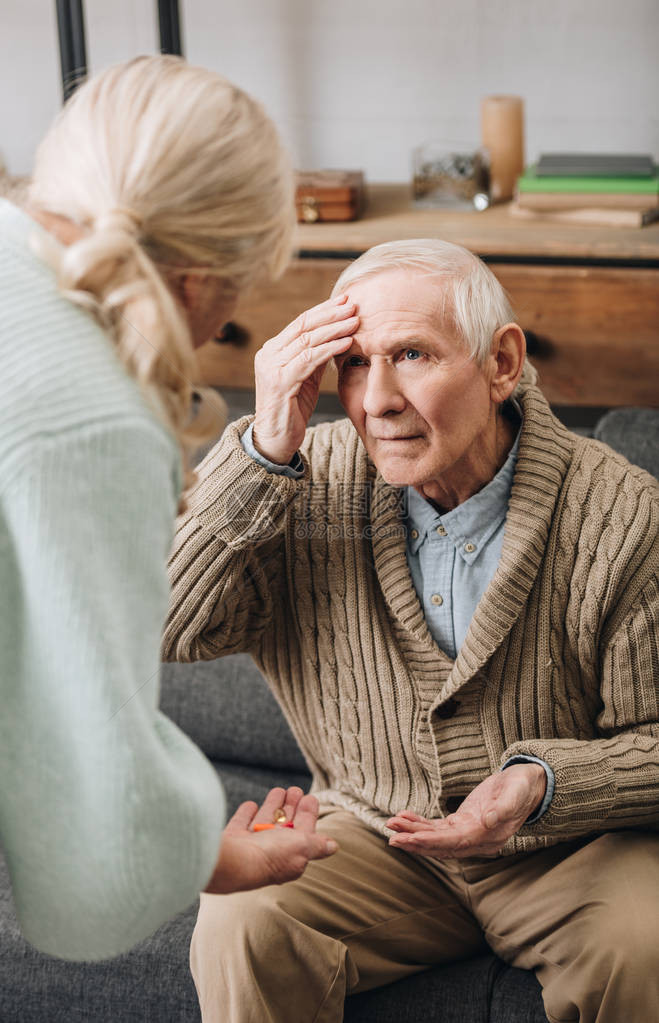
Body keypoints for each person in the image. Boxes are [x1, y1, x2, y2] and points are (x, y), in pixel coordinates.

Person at [163, 238, 659, 1023]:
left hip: (567, 846)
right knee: (243, 919)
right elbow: (166, 627)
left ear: (500, 362)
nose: (377, 399)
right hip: (368, 834)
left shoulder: (620, 513)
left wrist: (542, 784)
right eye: (354, 363)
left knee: (645, 941)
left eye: (412, 354)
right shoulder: (290, 478)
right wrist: (262, 449)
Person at [0, 55, 337, 964]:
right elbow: (94, 811)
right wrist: (211, 856)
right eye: (240, 294)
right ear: (203, 276)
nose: (220, 332)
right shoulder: (89, 418)